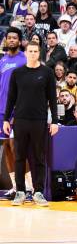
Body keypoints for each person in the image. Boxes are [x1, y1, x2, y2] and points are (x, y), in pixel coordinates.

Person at [3, 41, 58, 207]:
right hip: (20, 120)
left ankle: (38, 191)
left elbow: (52, 99)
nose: (33, 54)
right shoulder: (17, 73)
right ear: (25, 53)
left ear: (39, 53)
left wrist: (55, 121)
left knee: (39, 156)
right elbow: (11, 98)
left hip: (39, 120)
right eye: (30, 51)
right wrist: (6, 119)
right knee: (19, 156)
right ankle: (20, 191)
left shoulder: (47, 73)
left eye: (35, 51)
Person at [0, 28, 27, 200]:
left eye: (14, 38)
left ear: (19, 40)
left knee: (16, 149)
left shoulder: (23, 60)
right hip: (1, 111)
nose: (11, 40)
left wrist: (17, 111)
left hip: (16, 111)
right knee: (6, 150)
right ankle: (13, 186)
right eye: (9, 38)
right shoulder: (2, 60)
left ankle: (25, 186)